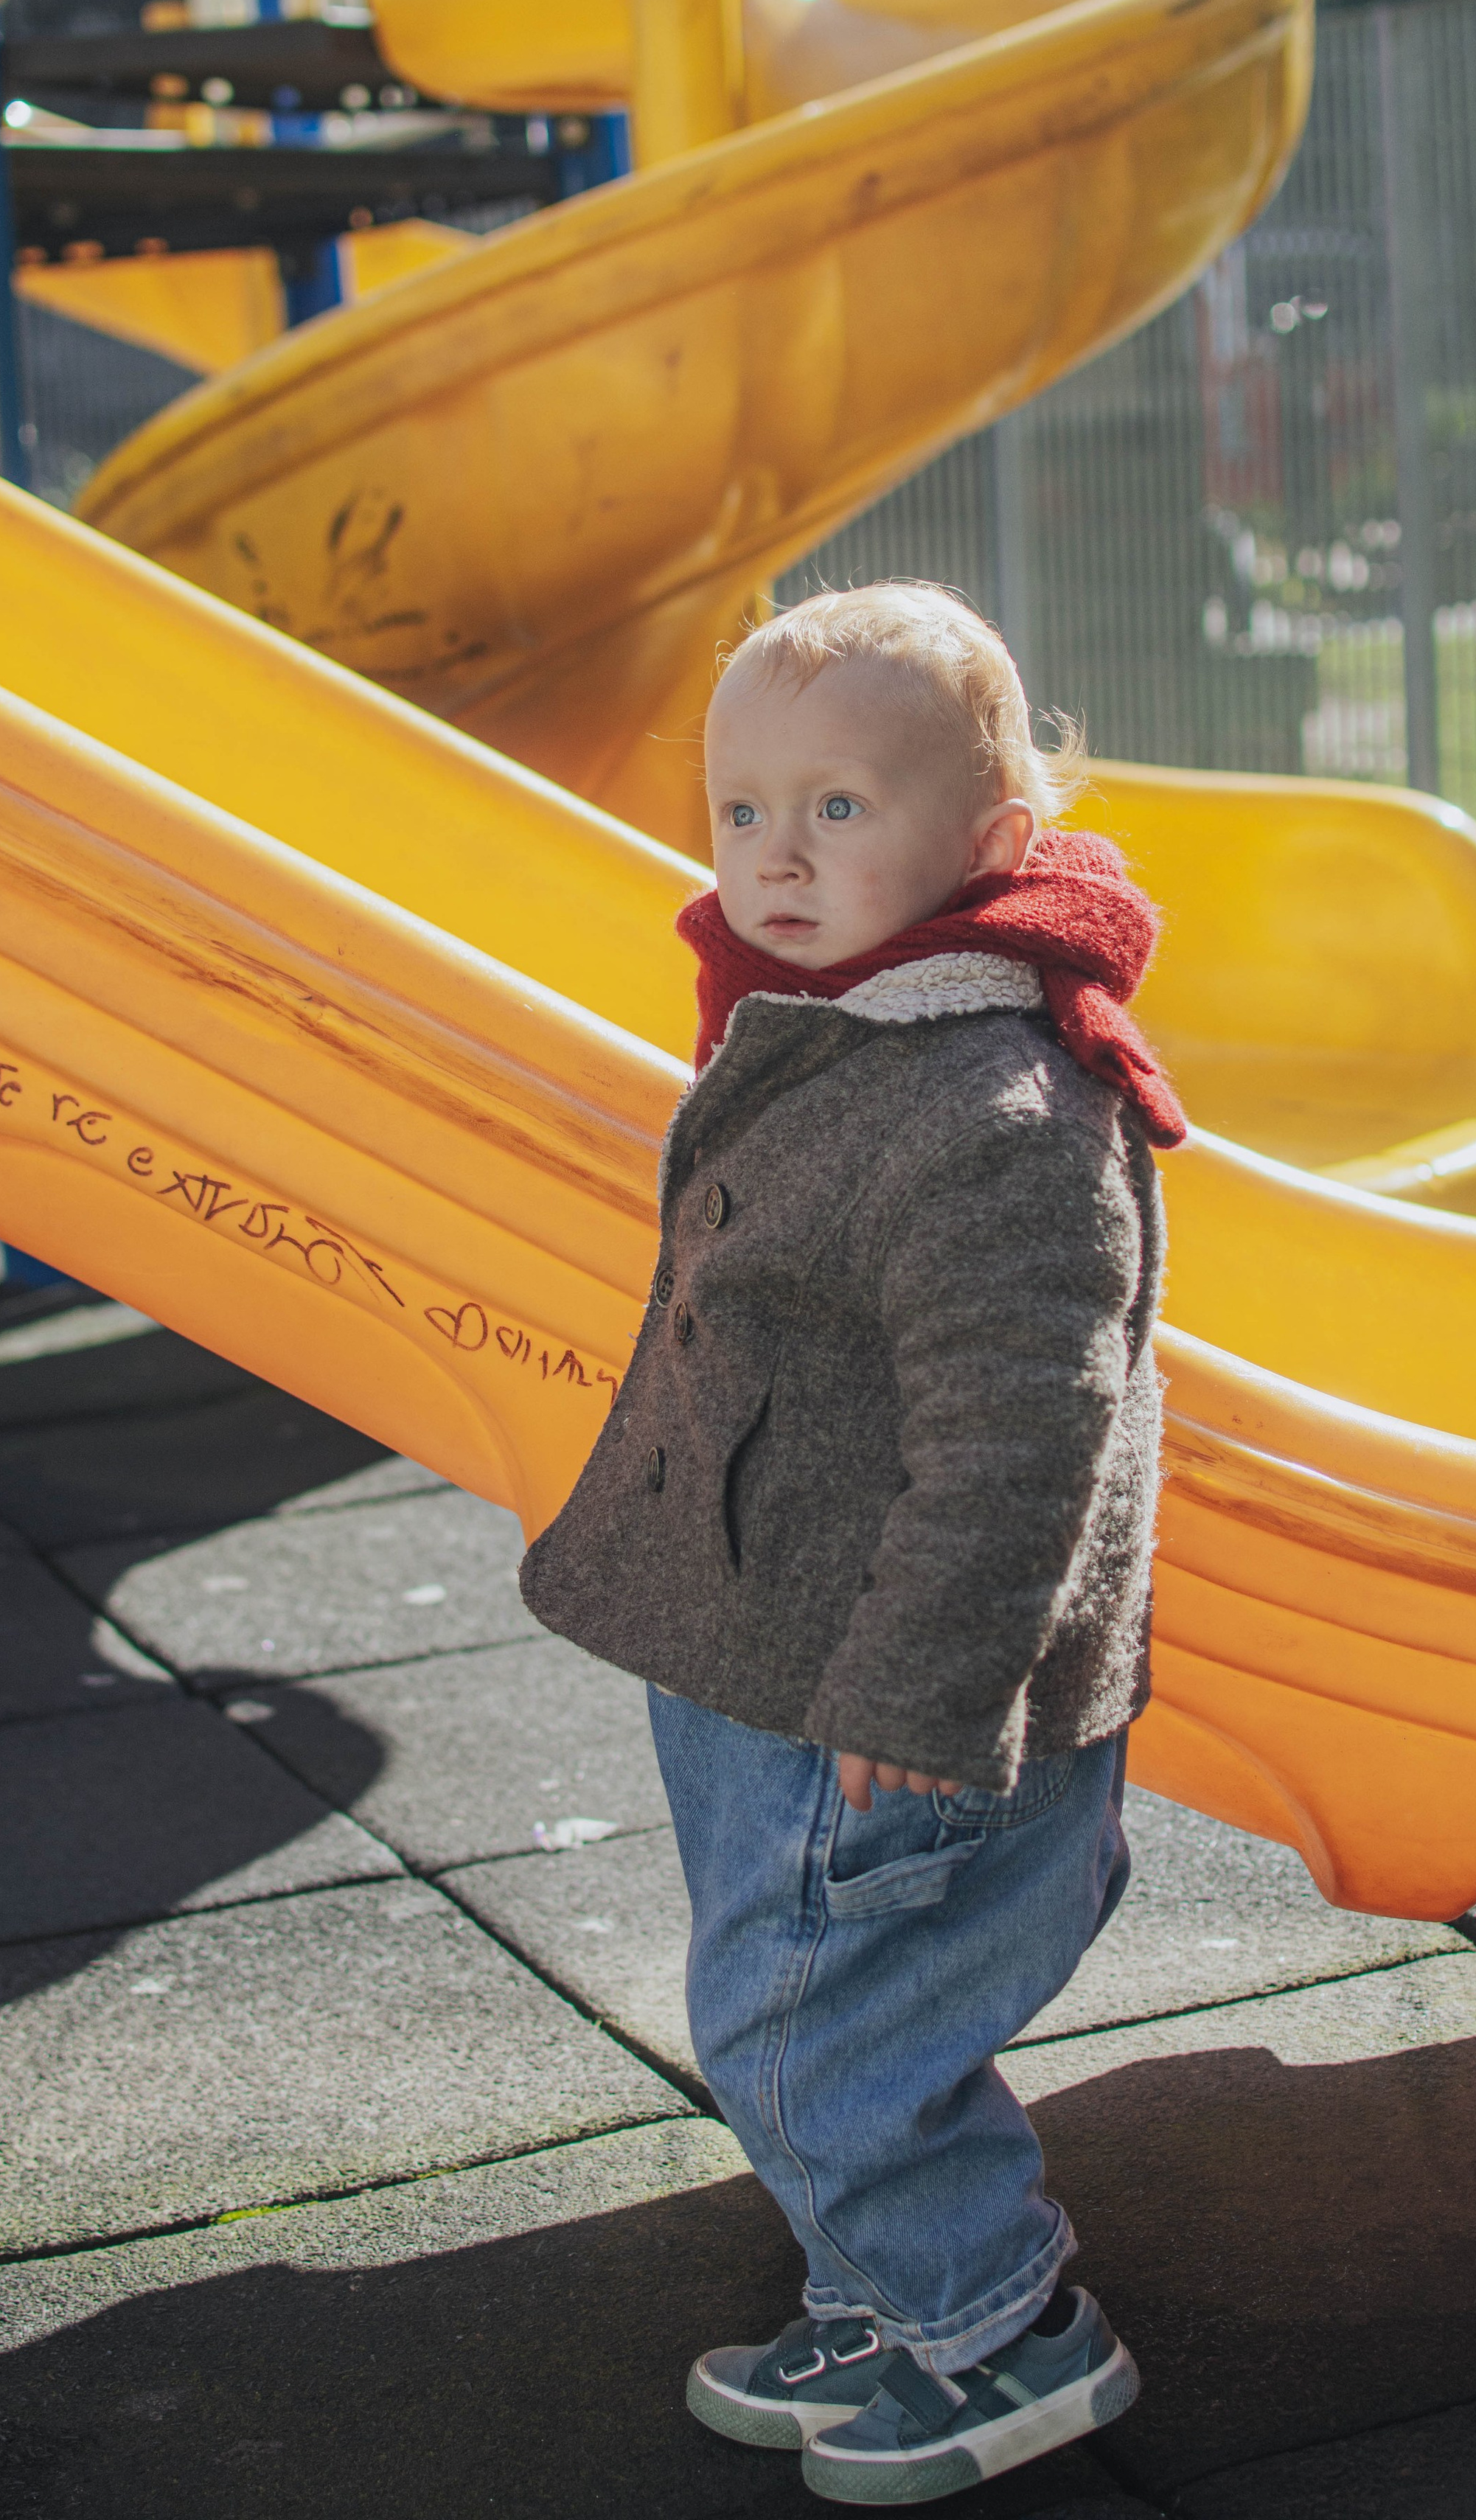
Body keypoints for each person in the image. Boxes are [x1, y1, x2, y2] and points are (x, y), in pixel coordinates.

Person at [518, 581, 1184, 2503]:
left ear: (987, 844)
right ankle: (880, 2293)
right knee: (806, 1983)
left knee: (814, 2025)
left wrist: (921, 1686)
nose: (776, 857)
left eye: (837, 809)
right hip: (777, 1642)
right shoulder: (852, 1024)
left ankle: (997, 2331)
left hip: (882, 1689)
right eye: (742, 809)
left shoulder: (990, 1105)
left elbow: (1022, 1437)